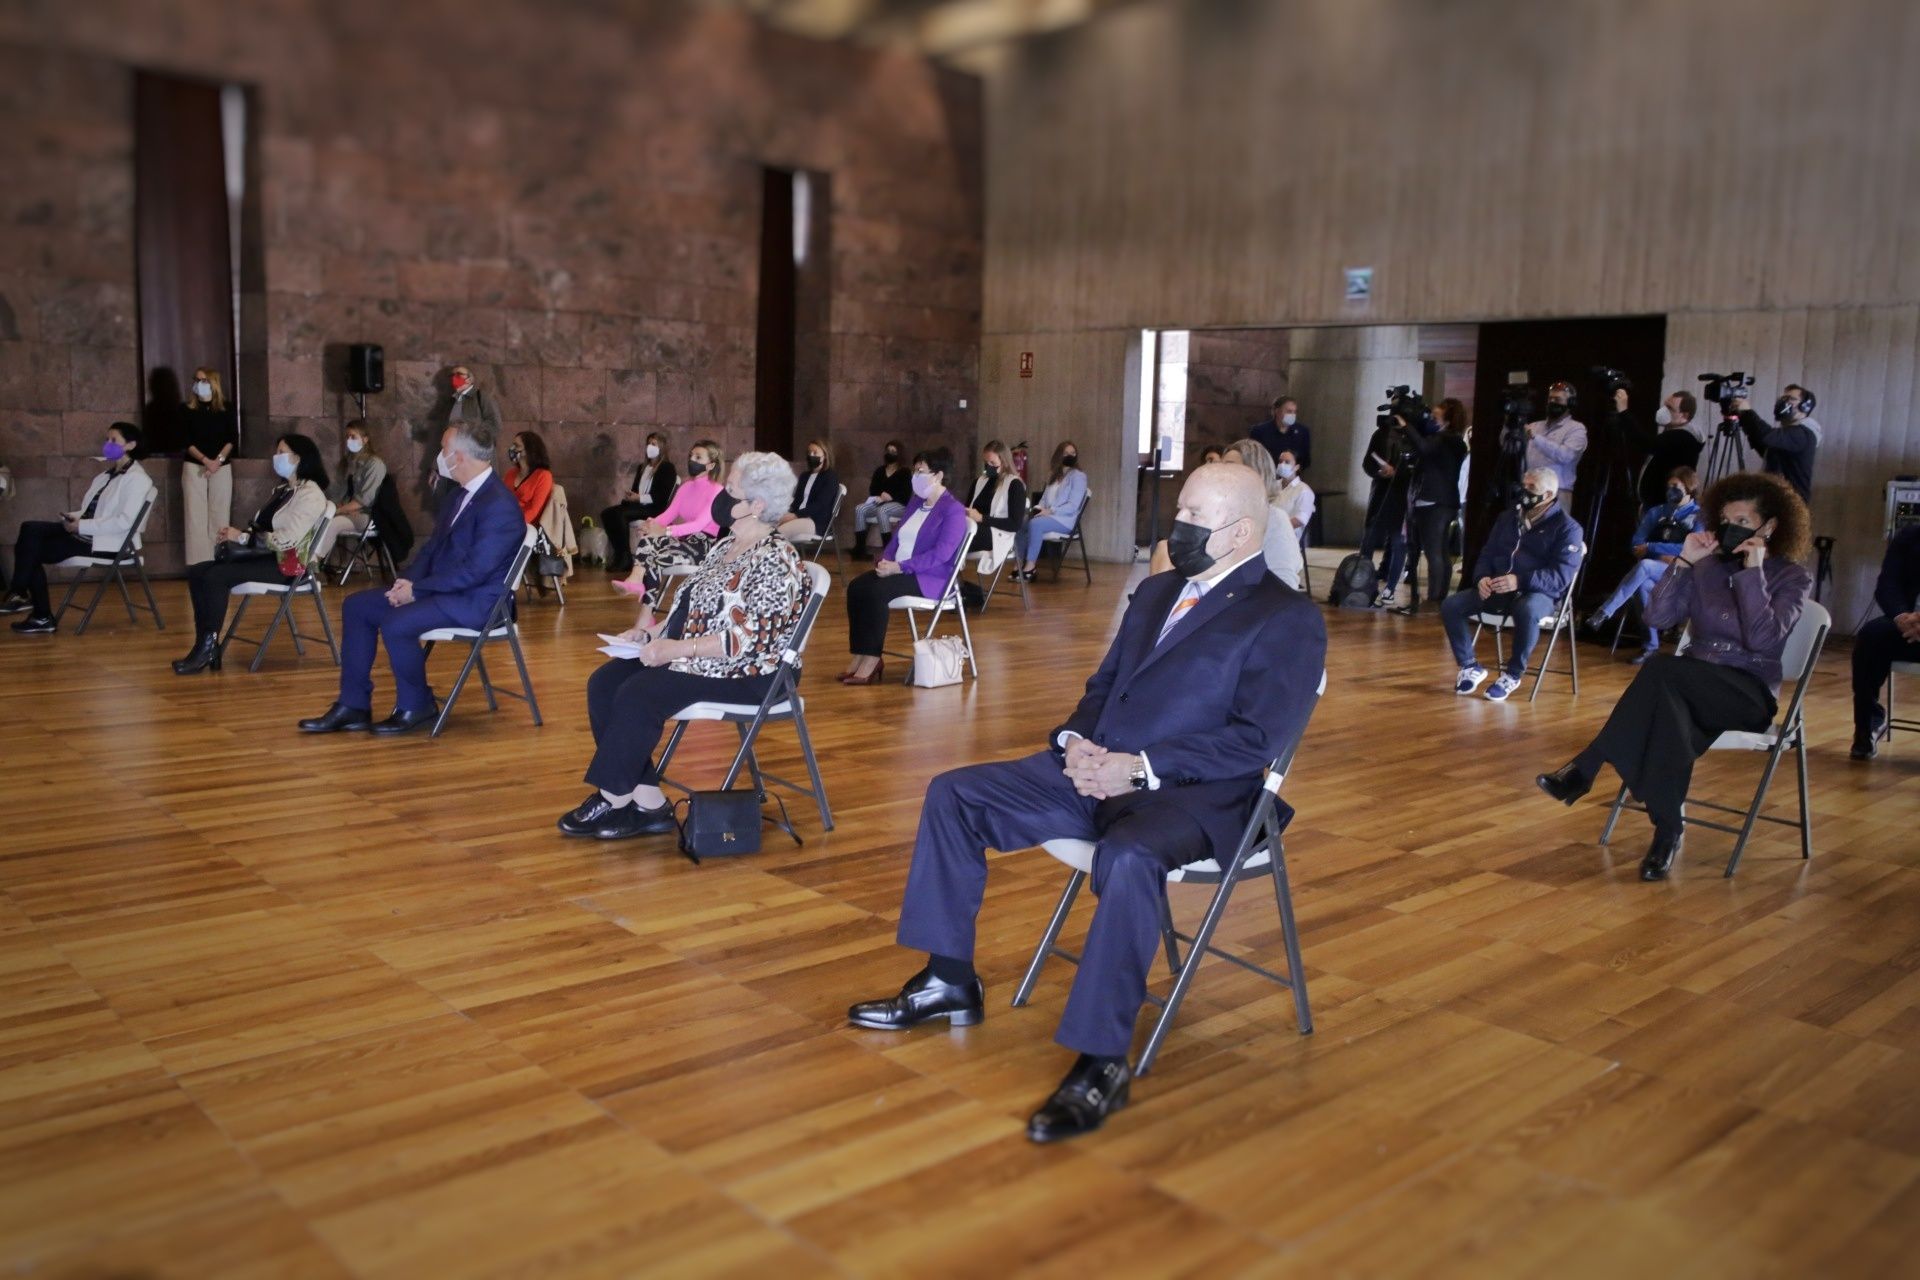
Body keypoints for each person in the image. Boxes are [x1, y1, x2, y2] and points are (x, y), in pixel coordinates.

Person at [846, 462, 1325, 1143]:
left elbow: (1255, 741)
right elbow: (1105, 687)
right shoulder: (1159, 592)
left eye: (1194, 517)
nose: (1177, 527)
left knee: (1128, 858)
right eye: (1180, 511)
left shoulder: (1286, 618)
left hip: (1194, 797)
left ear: (1241, 532)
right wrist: (1076, 742)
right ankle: (948, 978)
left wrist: (1142, 769)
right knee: (954, 794)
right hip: (1097, 769)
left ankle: (1102, 1061)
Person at [1535, 472, 1813, 880]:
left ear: (1769, 526)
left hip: (1746, 692)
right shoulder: (1706, 567)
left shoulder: (1792, 577)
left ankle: (1589, 766)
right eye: (1724, 518)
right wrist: (1684, 562)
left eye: (1742, 519)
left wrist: (1753, 572)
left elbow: (1761, 639)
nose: (1730, 528)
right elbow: (1656, 617)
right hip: (1686, 686)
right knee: (1669, 718)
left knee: (1661, 669)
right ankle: (1666, 834)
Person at [562, 453, 811, 839]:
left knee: (640, 692)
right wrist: (652, 635)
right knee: (606, 682)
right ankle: (648, 803)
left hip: (751, 672)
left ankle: (613, 799)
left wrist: (676, 650)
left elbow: (745, 640)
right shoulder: (725, 546)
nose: (723, 496)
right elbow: (689, 610)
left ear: (758, 505)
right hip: (700, 657)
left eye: (732, 491)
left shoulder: (776, 561)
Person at [296, 423, 526, 736]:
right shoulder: (459, 495)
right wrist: (404, 584)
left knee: (396, 622)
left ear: (458, 457)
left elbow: (476, 571)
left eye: (443, 450)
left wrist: (418, 590)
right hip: (442, 591)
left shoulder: (499, 505)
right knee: (357, 607)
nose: (438, 456)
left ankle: (417, 705)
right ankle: (353, 705)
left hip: (478, 602)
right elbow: (432, 550)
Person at [172, 435, 331, 675]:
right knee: (198, 571)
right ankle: (205, 644)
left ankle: (207, 649)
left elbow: (288, 539)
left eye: (281, 451)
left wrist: (242, 538)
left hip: (288, 564)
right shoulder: (284, 490)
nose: (275, 457)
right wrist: (238, 534)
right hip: (266, 557)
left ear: (298, 458)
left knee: (216, 576)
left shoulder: (310, 494)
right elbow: (262, 526)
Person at [1440, 467, 1583, 702]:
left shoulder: (1568, 528)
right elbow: (1487, 553)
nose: (1523, 491)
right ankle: (1469, 666)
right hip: (1499, 586)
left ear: (1548, 495)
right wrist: (1482, 577)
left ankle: (1513, 674)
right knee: (1451, 606)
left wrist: (1520, 580)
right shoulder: (1508, 518)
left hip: (1539, 593)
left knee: (1525, 609)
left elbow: (1560, 576)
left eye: (1531, 488)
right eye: (1523, 485)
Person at [3, 423, 156, 635]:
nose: (107, 445)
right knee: (30, 529)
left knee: (31, 552)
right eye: (107, 440)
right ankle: (22, 596)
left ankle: (34, 609)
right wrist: (73, 517)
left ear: (130, 445)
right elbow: (91, 510)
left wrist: (81, 525)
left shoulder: (137, 479)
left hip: (107, 542)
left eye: (113, 440)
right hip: (87, 531)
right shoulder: (105, 476)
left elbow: (124, 522)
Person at [839, 448, 969, 685]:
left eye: (921, 471)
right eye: (915, 470)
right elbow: (897, 537)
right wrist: (884, 560)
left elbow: (941, 555)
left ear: (938, 475)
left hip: (930, 577)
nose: (916, 476)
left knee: (877, 592)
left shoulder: (953, 510)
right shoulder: (916, 502)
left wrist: (900, 567)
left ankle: (872, 658)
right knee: (857, 587)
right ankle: (860, 654)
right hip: (900, 568)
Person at [1582, 466, 1704, 662]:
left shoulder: (1699, 516)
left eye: (1675, 486)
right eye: (1668, 486)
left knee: (1645, 565)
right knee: (1641, 586)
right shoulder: (1657, 512)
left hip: (1683, 574)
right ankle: (1651, 646)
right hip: (1656, 572)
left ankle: (1605, 611)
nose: (1670, 490)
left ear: (1689, 486)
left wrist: (1653, 547)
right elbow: (1637, 543)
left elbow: (1692, 548)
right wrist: (1658, 551)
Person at [1148, 439, 1302, 589]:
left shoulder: (1275, 518)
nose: (1220, 473)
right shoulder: (1220, 515)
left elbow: (1284, 584)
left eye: (1230, 467)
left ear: (1256, 474)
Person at [613, 440, 725, 603]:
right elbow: (668, 515)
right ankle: (635, 581)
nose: (692, 460)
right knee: (650, 541)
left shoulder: (716, 490)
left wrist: (665, 531)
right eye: (691, 455)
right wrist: (650, 524)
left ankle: (645, 607)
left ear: (711, 465)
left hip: (703, 546)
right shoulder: (686, 487)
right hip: (684, 541)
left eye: (698, 457)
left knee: (654, 557)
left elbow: (698, 525)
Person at [1849, 523, 1920, 760]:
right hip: (1909, 623)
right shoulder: (1909, 536)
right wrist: (1901, 616)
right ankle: (1867, 727)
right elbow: (1887, 585)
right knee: (1871, 636)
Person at [1403, 397, 1470, 607]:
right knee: (1439, 551)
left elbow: (1424, 447)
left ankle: (1435, 597)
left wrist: (1407, 426)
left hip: (1436, 501)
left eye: (1435, 417)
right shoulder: (1448, 440)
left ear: (1448, 419)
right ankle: (1437, 595)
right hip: (1439, 500)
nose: (1431, 420)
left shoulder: (1448, 439)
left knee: (1435, 552)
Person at [180, 365, 238, 566]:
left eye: (204, 380)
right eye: (196, 380)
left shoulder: (227, 408)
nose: (199, 384)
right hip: (195, 465)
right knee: (195, 516)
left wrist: (217, 461)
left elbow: (232, 438)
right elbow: (185, 440)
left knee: (219, 513)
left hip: (221, 466)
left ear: (214, 383)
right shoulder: (186, 409)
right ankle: (198, 563)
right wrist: (205, 461)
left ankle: (218, 559)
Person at [1359, 408, 1415, 606]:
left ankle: (1390, 588)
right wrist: (1379, 471)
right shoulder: (1381, 433)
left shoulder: (1413, 436)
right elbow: (1368, 462)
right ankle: (1362, 581)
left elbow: (1416, 467)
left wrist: (1398, 472)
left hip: (1401, 494)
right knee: (1369, 537)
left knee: (1398, 541)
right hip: (1381, 491)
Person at [600, 432, 677, 575]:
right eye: (648, 443)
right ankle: (620, 553)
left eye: (654, 444)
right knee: (607, 513)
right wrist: (632, 496)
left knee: (619, 515)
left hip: (654, 508)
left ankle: (625, 557)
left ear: (661, 447)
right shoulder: (643, 467)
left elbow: (661, 497)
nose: (650, 446)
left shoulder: (667, 467)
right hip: (639, 506)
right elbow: (637, 490)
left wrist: (639, 498)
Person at [1013, 441, 1088, 581]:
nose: (1070, 456)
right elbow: (1044, 500)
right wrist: (1038, 509)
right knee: (1021, 523)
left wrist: (1051, 511)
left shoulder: (1078, 476)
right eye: (1066, 453)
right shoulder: (1054, 475)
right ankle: (1018, 565)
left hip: (1065, 520)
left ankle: (1030, 567)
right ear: (1059, 455)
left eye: (1073, 453)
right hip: (1048, 516)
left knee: (1036, 525)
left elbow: (1073, 505)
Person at [316, 420, 388, 562]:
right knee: (316, 520)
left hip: (366, 515)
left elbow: (364, 500)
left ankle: (314, 563)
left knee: (332, 524)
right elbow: (340, 491)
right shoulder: (347, 462)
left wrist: (338, 511)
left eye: (353, 437)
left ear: (365, 439)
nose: (349, 440)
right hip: (347, 510)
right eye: (347, 437)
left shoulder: (375, 464)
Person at [1735, 385, 1821, 502]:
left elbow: (1766, 436)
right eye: (1783, 398)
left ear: (1805, 406)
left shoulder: (1803, 433)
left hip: (1790, 505)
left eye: (1791, 399)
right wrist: (1743, 416)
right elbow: (1766, 449)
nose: (1783, 402)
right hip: (1777, 499)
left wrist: (1748, 412)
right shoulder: (1789, 433)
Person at [1625, 390, 1704, 510]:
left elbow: (1646, 444)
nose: (1663, 411)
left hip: (1665, 507)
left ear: (1684, 416)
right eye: (1665, 405)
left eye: (1670, 408)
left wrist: (1623, 412)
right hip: (1657, 505)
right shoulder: (1673, 431)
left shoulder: (1682, 437)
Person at [1524, 381, 1587, 516]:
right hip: (1530, 491)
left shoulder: (1576, 429)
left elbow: (1566, 456)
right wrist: (1509, 425)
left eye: (1557, 399)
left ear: (1570, 404)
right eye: (1550, 399)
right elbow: (1510, 447)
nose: (1552, 402)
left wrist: (1536, 438)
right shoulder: (1535, 426)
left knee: (1552, 534)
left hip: (1558, 493)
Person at [964, 438, 1026, 572]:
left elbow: (1015, 524)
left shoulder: (1014, 484)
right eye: (986, 463)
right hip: (976, 528)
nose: (988, 466)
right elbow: (968, 507)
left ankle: (948, 583)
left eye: (992, 463)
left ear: (1004, 462)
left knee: (953, 537)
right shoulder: (979, 482)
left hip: (998, 534)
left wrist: (982, 518)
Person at [851, 440, 912, 560]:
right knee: (860, 509)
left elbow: (906, 493)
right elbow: (873, 489)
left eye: (893, 451)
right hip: (879, 502)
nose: (890, 453)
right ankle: (860, 548)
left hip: (899, 505)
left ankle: (888, 549)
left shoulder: (905, 472)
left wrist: (891, 497)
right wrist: (880, 495)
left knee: (882, 510)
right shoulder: (879, 471)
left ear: (899, 454)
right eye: (888, 451)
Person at [778, 440, 839, 543]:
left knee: (778, 533)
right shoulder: (804, 476)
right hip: (798, 516)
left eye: (815, 453)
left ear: (825, 455)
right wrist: (786, 513)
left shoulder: (830, 477)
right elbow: (797, 501)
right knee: (767, 527)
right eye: (809, 453)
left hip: (815, 521)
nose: (811, 455)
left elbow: (820, 505)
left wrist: (794, 516)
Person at [501, 430, 554, 525]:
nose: (512, 449)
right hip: (506, 521)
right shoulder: (511, 473)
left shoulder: (543, 476)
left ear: (529, 450)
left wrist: (511, 526)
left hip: (528, 526)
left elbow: (534, 511)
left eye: (517, 446)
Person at [1249, 396, 1311, 469]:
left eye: (1295, 412)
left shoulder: (1302, 432)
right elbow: (1253, 458)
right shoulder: (1259, 431)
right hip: (1267, 474)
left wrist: (1294, 469)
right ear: (1277, 411)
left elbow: (1306, 459)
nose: (1292, 415)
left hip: (1292, 475)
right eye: (1289, 411)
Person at [442, 364, 502, 437]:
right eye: (453, 375)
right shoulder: (452, 400)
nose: (454, 378)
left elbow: (495, 424)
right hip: (453, 446)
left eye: (459, 375)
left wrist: (470, 429)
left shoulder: (482, 397)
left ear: (469, 379)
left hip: (474, 446)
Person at [1270, 449, 1315, 533]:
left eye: (1287, 462)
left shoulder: (1304, 490)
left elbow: (1301, 519)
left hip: (1286, 536)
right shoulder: (1272, 486)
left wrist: (1275, 528)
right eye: (1280, 461)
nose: (1282, 465)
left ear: (1296, 467)